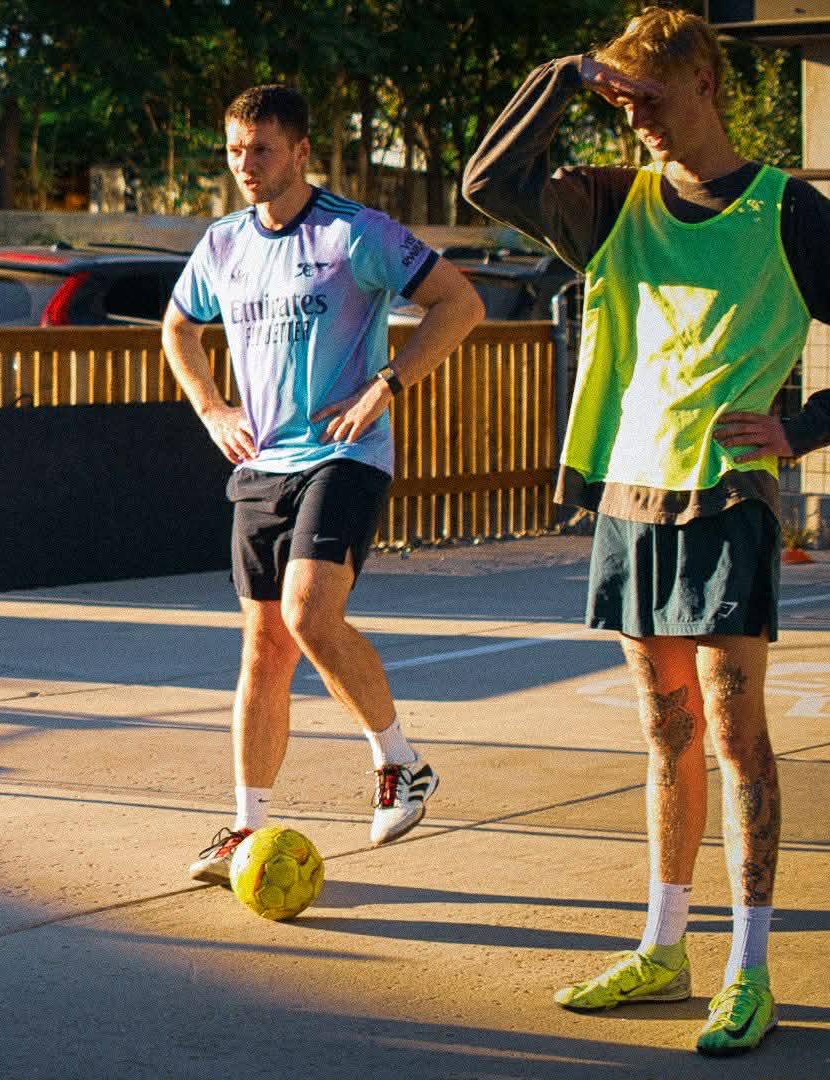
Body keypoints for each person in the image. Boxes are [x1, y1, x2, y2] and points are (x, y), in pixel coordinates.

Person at [464, 7, 830, 1056]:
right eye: (624, 104)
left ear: (706, 82)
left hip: (725, 499)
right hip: (630, 495)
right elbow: (487, 182)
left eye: (654, 99)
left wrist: (801, 429)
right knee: (666, 737)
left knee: (736, 738)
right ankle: (663, 949)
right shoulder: (609, 201)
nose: (641, 122)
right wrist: (567, 73)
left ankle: (748, 969)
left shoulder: (786, 209)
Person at [165, 86, 484, 885]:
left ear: (302, 151)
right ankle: (246, 827)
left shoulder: (354, 233)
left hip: (344, 453)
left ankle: (400, 762)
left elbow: (460, 303)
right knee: (265, 648)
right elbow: (178, 327)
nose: (245, 164)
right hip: (259, 466)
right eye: (234, 150)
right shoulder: (223, 243)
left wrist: (387, 384)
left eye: (261, 149)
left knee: (309, 614)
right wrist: (211, 408)